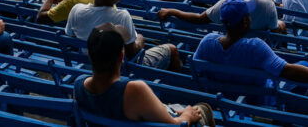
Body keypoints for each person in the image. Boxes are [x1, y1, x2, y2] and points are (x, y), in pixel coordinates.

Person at [192, 0, 308, 97]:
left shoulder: (207, 42)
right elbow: (288, 71)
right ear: (245, 22)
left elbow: (196, 69)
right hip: (258, 99)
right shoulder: (255, 47)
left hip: (221, 95)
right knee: (305, 65)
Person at [74, 25, 213, 126]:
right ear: (122, 56)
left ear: (89, 55)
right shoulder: (134, 90)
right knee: (202, 109)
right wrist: (187, 116)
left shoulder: (79, 84)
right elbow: (174, 125)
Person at [66, 0, 180, 70]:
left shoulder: (76, 9)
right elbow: (132, 54)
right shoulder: (121, 16)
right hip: (120, 70)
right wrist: (140, 39)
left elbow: (71, 36)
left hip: (89, 65)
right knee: (172, 49)